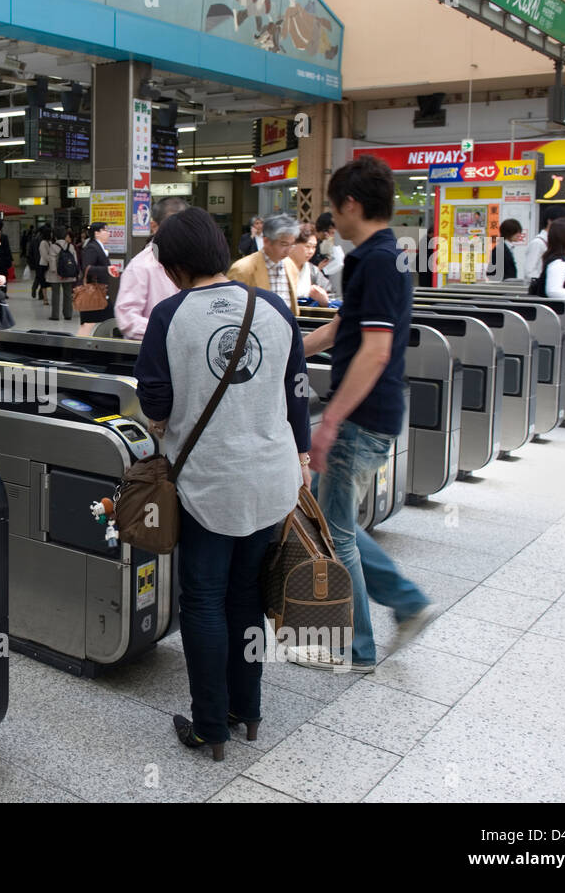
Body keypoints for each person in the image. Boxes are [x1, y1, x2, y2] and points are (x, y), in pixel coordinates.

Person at [135, 206, 311, 761]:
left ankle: (210, 727)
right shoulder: (274, 308)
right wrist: (302, 454)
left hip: (208, 481)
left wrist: (163, 418)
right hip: (271, 477)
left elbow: (156, 401)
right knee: (246, 597)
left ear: (176, 264)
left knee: (204, 599)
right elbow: (298, 394)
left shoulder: (169, 316)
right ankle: (247, 712)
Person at [296, 156, 436, 674]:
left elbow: (374, 350)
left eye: (334, 207)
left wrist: (331, 420)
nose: (332, 219)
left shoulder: (377, 260)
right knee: (339, 524)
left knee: (334, 532)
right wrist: (289, 351)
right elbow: (341, 330)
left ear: (351, 204)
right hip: (374, 411)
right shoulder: (384, 255)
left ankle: (356, 648)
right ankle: (407, 601)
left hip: (363, 416)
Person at [115, 196, 188, 340]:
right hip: (154, 352)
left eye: (186, 227)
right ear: (154, 226)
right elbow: (128, 320)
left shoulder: (192, 261)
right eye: (173, 227)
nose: (180, 233)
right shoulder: (141, 266)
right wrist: (172, 330)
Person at [227, 213, 300, 315]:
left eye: (292, 245)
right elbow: (231, 308)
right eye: (284, 244)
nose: (288, 250)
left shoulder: (290, 266)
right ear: (266, 241)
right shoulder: (243, 269)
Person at [77, 222, 116, 336]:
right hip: (93, 292)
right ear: (96, 233)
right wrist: (106, 269)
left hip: (100, 292)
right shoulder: (92, 248)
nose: (108, 233)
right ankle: (79, 347)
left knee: (107, 320)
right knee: (88, 324)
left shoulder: (98, 247)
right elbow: (87, 268)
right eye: (105, 230)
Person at [288, 222, 332, 306]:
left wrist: (323, 299)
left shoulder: (313, 271)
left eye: (314, 247)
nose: (311, 251)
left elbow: (328, 292)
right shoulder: (280, 268)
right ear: (293, 244)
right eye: (307, 246)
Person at [524, 204, 565, 285]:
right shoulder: (538, 243)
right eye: (561, 222)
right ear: (549, 221)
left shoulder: (555, 241)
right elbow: (529, 271)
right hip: (540, 292)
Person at [45, 228, 78, 321]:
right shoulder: (70, 246)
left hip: (56, 275)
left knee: (55, 294)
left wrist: (55, 272)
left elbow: (52, 261)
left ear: (55, 236)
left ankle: (55, 315)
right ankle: (68, 314)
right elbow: (75, 261)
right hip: (68, 274)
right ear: (65, 236)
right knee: (68, 294)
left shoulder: (53, 246)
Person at [312, 212, 345, 294]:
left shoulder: (324, 244)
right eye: (332, 233)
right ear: (324, 230)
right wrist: (317, 269)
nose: (332, 236)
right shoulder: (312, 245)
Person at [486, 218, 523, 283]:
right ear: (509, 232)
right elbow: (491, 272)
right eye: (517, 232)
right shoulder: (500, 249)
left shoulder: (507, 248)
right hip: (503, 289)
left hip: (508, 288)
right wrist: (504, 282)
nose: (519, 235)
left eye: (520, 232)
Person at [30, 225, 51, 304]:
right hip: (42, 261)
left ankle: (38, 291)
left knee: (39, 277)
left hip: (37, 261)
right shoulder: (43, 240)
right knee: (41, 278)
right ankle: (39, 292)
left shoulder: (35, 239)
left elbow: (31, 251)